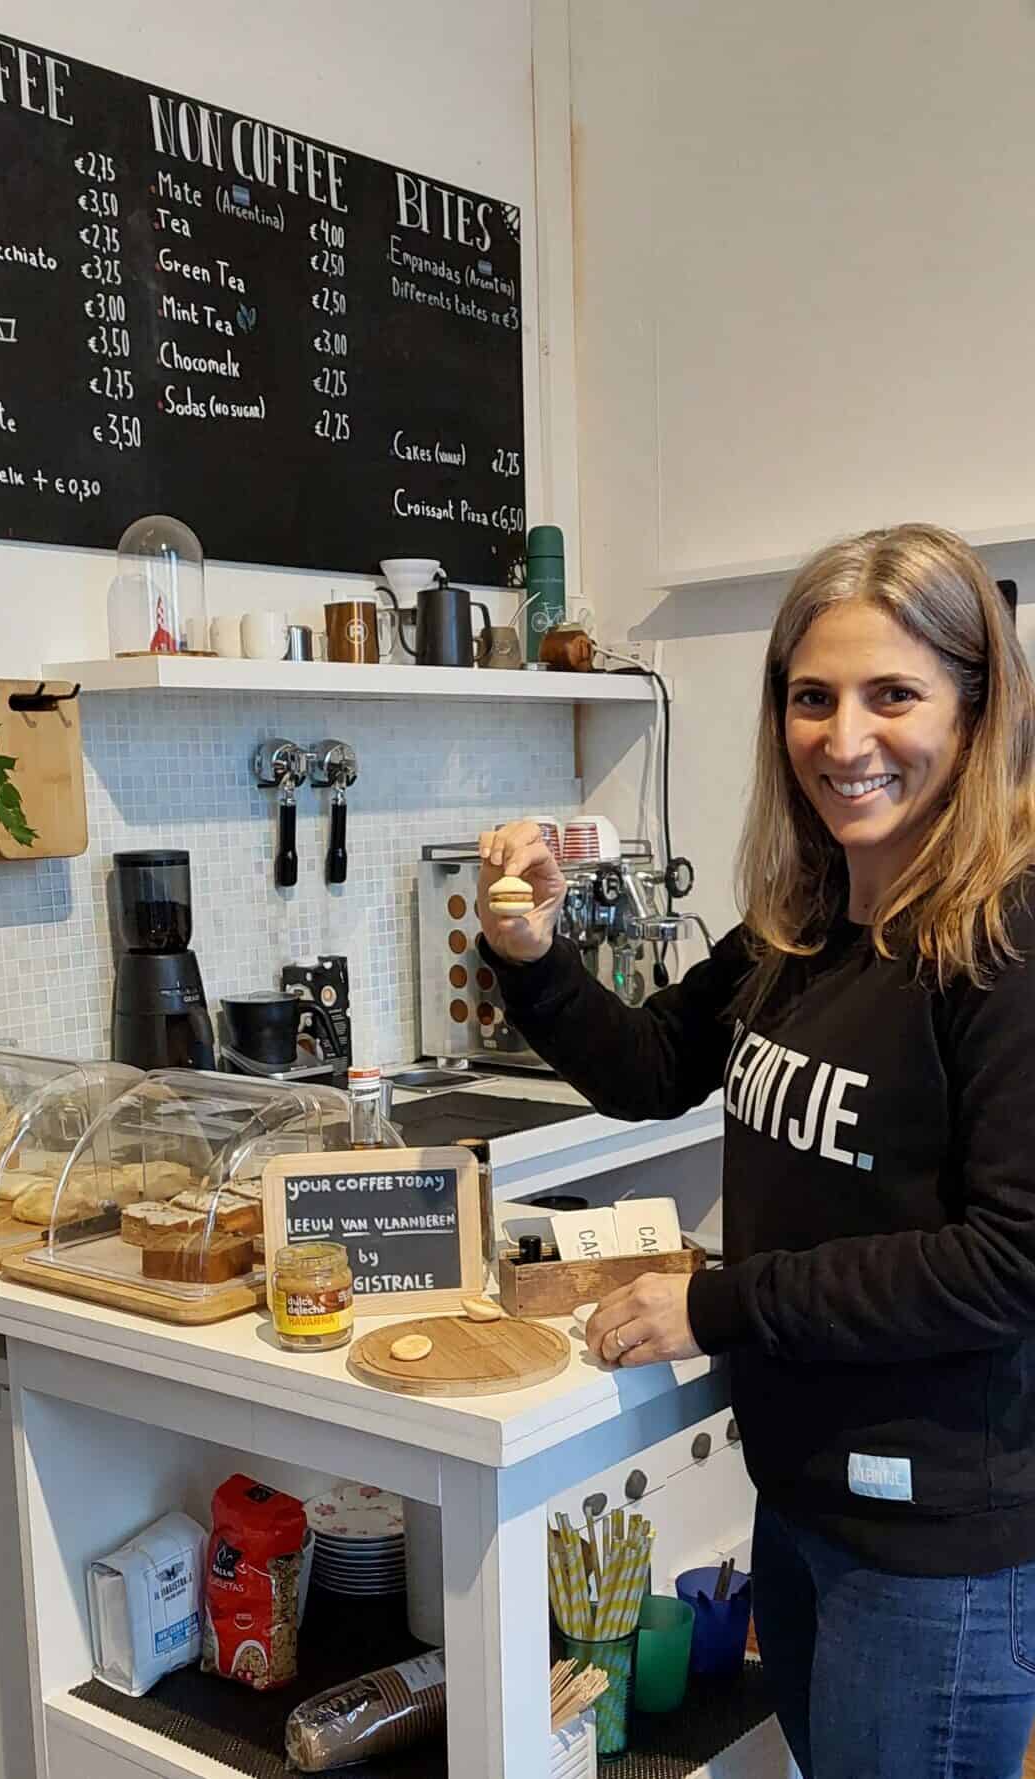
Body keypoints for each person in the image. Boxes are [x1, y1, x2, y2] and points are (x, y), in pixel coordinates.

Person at [476, 524, 1035, 1779]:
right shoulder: (807, 924)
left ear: (977, 707)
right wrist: (530, 957)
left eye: (895, 695)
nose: (846, 741)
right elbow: (650, 1067)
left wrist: (718, 1306)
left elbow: (1009, 1262)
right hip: (800, 1498)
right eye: (811, 698)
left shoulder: (1006, 940)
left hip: (931, 1540)